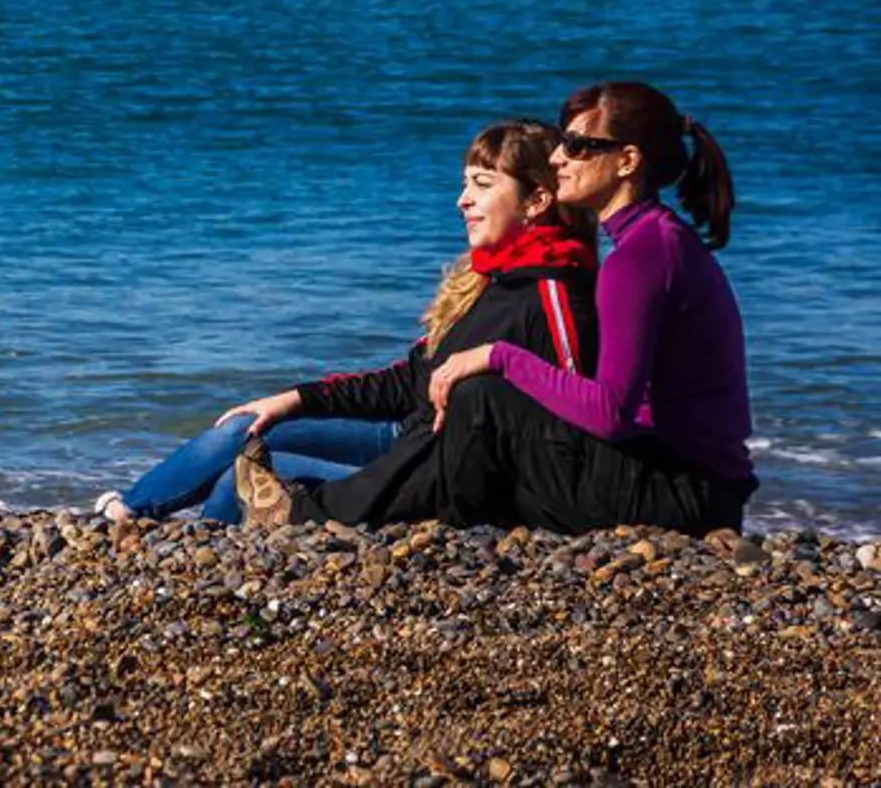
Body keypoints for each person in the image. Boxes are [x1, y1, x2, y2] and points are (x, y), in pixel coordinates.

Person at [234, 81, 755, 536]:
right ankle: (378, 515)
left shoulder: (637, 259)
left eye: (576, 147)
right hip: (683, 482)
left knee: (482, 395)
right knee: (479, 406)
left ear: (627, 160)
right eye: (561, 142)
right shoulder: (655, 241)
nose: (557, 159)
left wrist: (499, 356)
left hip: (681, 495)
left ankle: (307, 516)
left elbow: (610, 415)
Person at [97, 119, 597, 525]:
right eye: (464, 183)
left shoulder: (554, 293)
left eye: (482, 185)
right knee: (247, 426)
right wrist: (294, 399)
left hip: (431, 467)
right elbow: (407, 381)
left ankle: (197, 557)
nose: (461, 200)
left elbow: (573, 415)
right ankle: (129, 512)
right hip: (404, 436)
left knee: (243, 474)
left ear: (536, 200)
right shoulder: (484, 276)